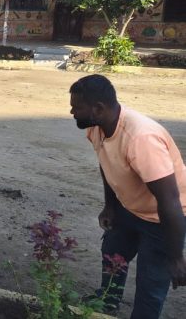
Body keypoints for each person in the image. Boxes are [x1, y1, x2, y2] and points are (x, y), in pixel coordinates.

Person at [69, 74, 186, 317]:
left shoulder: (141, 139)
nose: (72, 112)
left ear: (98, 109)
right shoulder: (97, 127)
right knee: (113, 251)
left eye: (77, 107)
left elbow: (170, 201)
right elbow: (107, 162)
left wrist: (175, 257)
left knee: (150, 282)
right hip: (130, 208)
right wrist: (110, 206)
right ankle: (108, 300)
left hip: (161, 218)